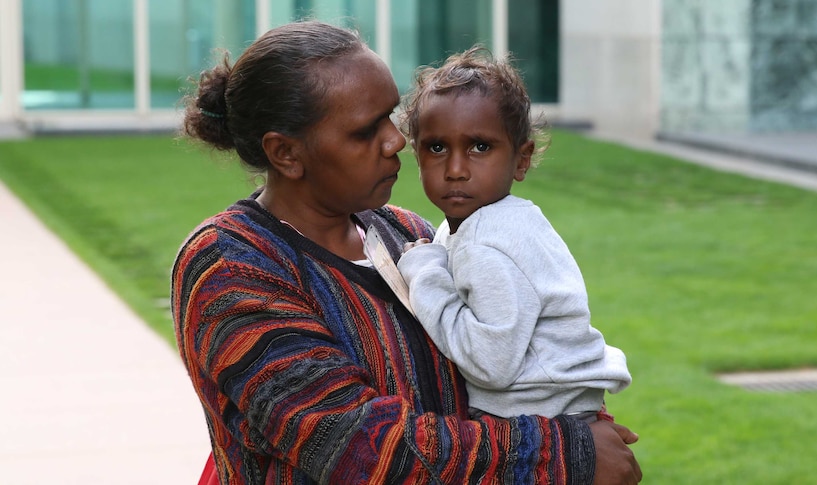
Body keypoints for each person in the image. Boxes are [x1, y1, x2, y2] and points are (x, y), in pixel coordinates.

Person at [174, 20, 641, 484]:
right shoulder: (231, 265)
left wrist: (582, 417)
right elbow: (355, 446)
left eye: (392, 117)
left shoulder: (405, 233)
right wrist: (566, 452)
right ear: (286, 154)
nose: (397, 141)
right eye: (365, 131)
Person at [396, 47, 632, 422]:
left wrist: (426, 276)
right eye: (437, 147)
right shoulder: (498, 220)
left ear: (521, 159)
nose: (456, 169)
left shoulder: (486, 244)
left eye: (480, 147)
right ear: (417, 153)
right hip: (555, 408)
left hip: (546, 421)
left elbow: (491, 364)